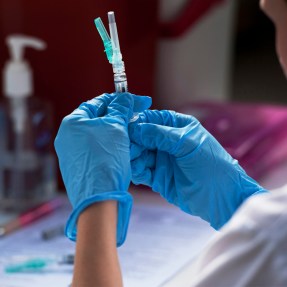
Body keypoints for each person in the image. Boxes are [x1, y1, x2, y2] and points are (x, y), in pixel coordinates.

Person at [54, 0, 287, 286]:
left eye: (275, 21)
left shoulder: (272, 238)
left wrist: (96, 208)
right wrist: (241, 202)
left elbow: (275, 242)